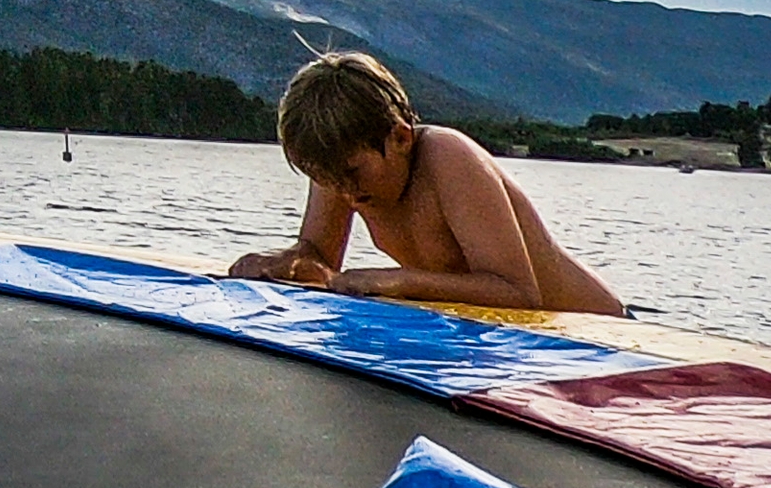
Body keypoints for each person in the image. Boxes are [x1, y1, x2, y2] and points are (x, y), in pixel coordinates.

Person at [226, 52, 626, 316]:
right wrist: (283, 263)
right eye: (325, 178)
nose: (344, 193)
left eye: (351, 174)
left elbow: (519, 293)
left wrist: (395, 282)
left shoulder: (446, 158)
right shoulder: (339, 166)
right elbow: (320, 259)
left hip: (611, 335)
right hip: (514, 336)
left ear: (399, 138)